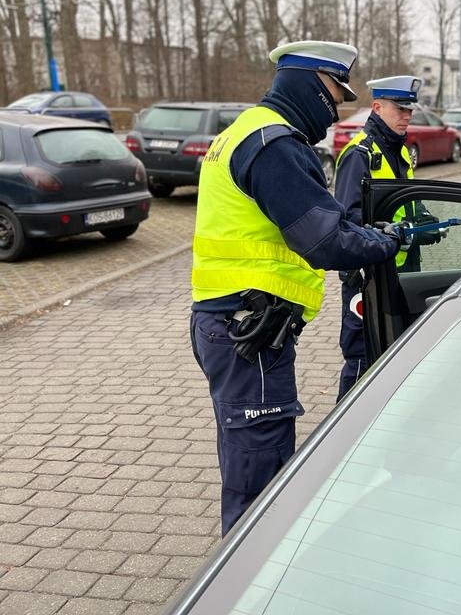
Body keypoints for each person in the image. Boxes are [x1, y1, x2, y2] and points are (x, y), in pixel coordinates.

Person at [189, 41, 402, 535]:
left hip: (229, 324)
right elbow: (324, 240)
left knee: (246, 457)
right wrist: (385, 242)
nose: (335, 112)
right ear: (311, 84)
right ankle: (249, 572)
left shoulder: (244, 131)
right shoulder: (275, 145)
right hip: (249, 333)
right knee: (260, 476)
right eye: (335, 95)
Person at [333, 75, 443, 401]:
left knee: (396, 354)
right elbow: (346, 222)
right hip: (368, 276)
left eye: (410, 110)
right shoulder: (360, 155)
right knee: (362, 359)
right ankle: (345, 426)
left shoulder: (401, 152)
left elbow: (407, 203)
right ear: (377, 107)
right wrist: (396, 235)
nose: (407, 116)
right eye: (400, 109)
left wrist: (425, 222)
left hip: (402, 272)